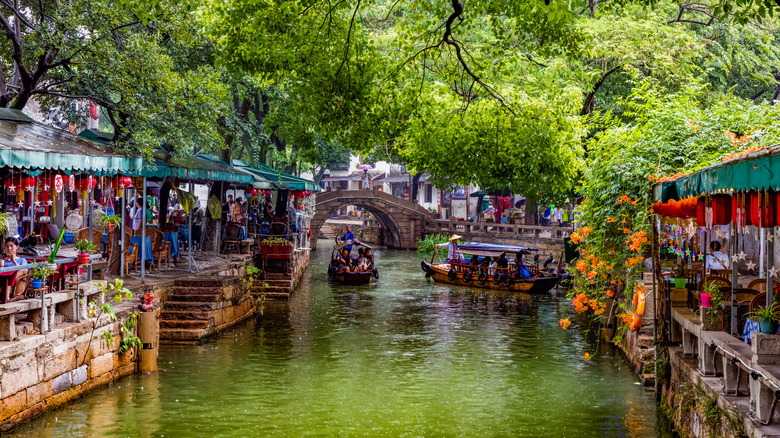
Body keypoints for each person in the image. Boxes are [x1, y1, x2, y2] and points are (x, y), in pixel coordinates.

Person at [2, 237, 28, 303]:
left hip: (14, 280)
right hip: (1, 278)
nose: (9, 248)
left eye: (11, 246)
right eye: (7, 246)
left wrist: (14, 261)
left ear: (17, 247)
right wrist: (2, 262)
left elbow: (24, 271)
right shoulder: (1, 258)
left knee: (18, 271)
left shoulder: (22, 260)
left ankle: (7, 297)